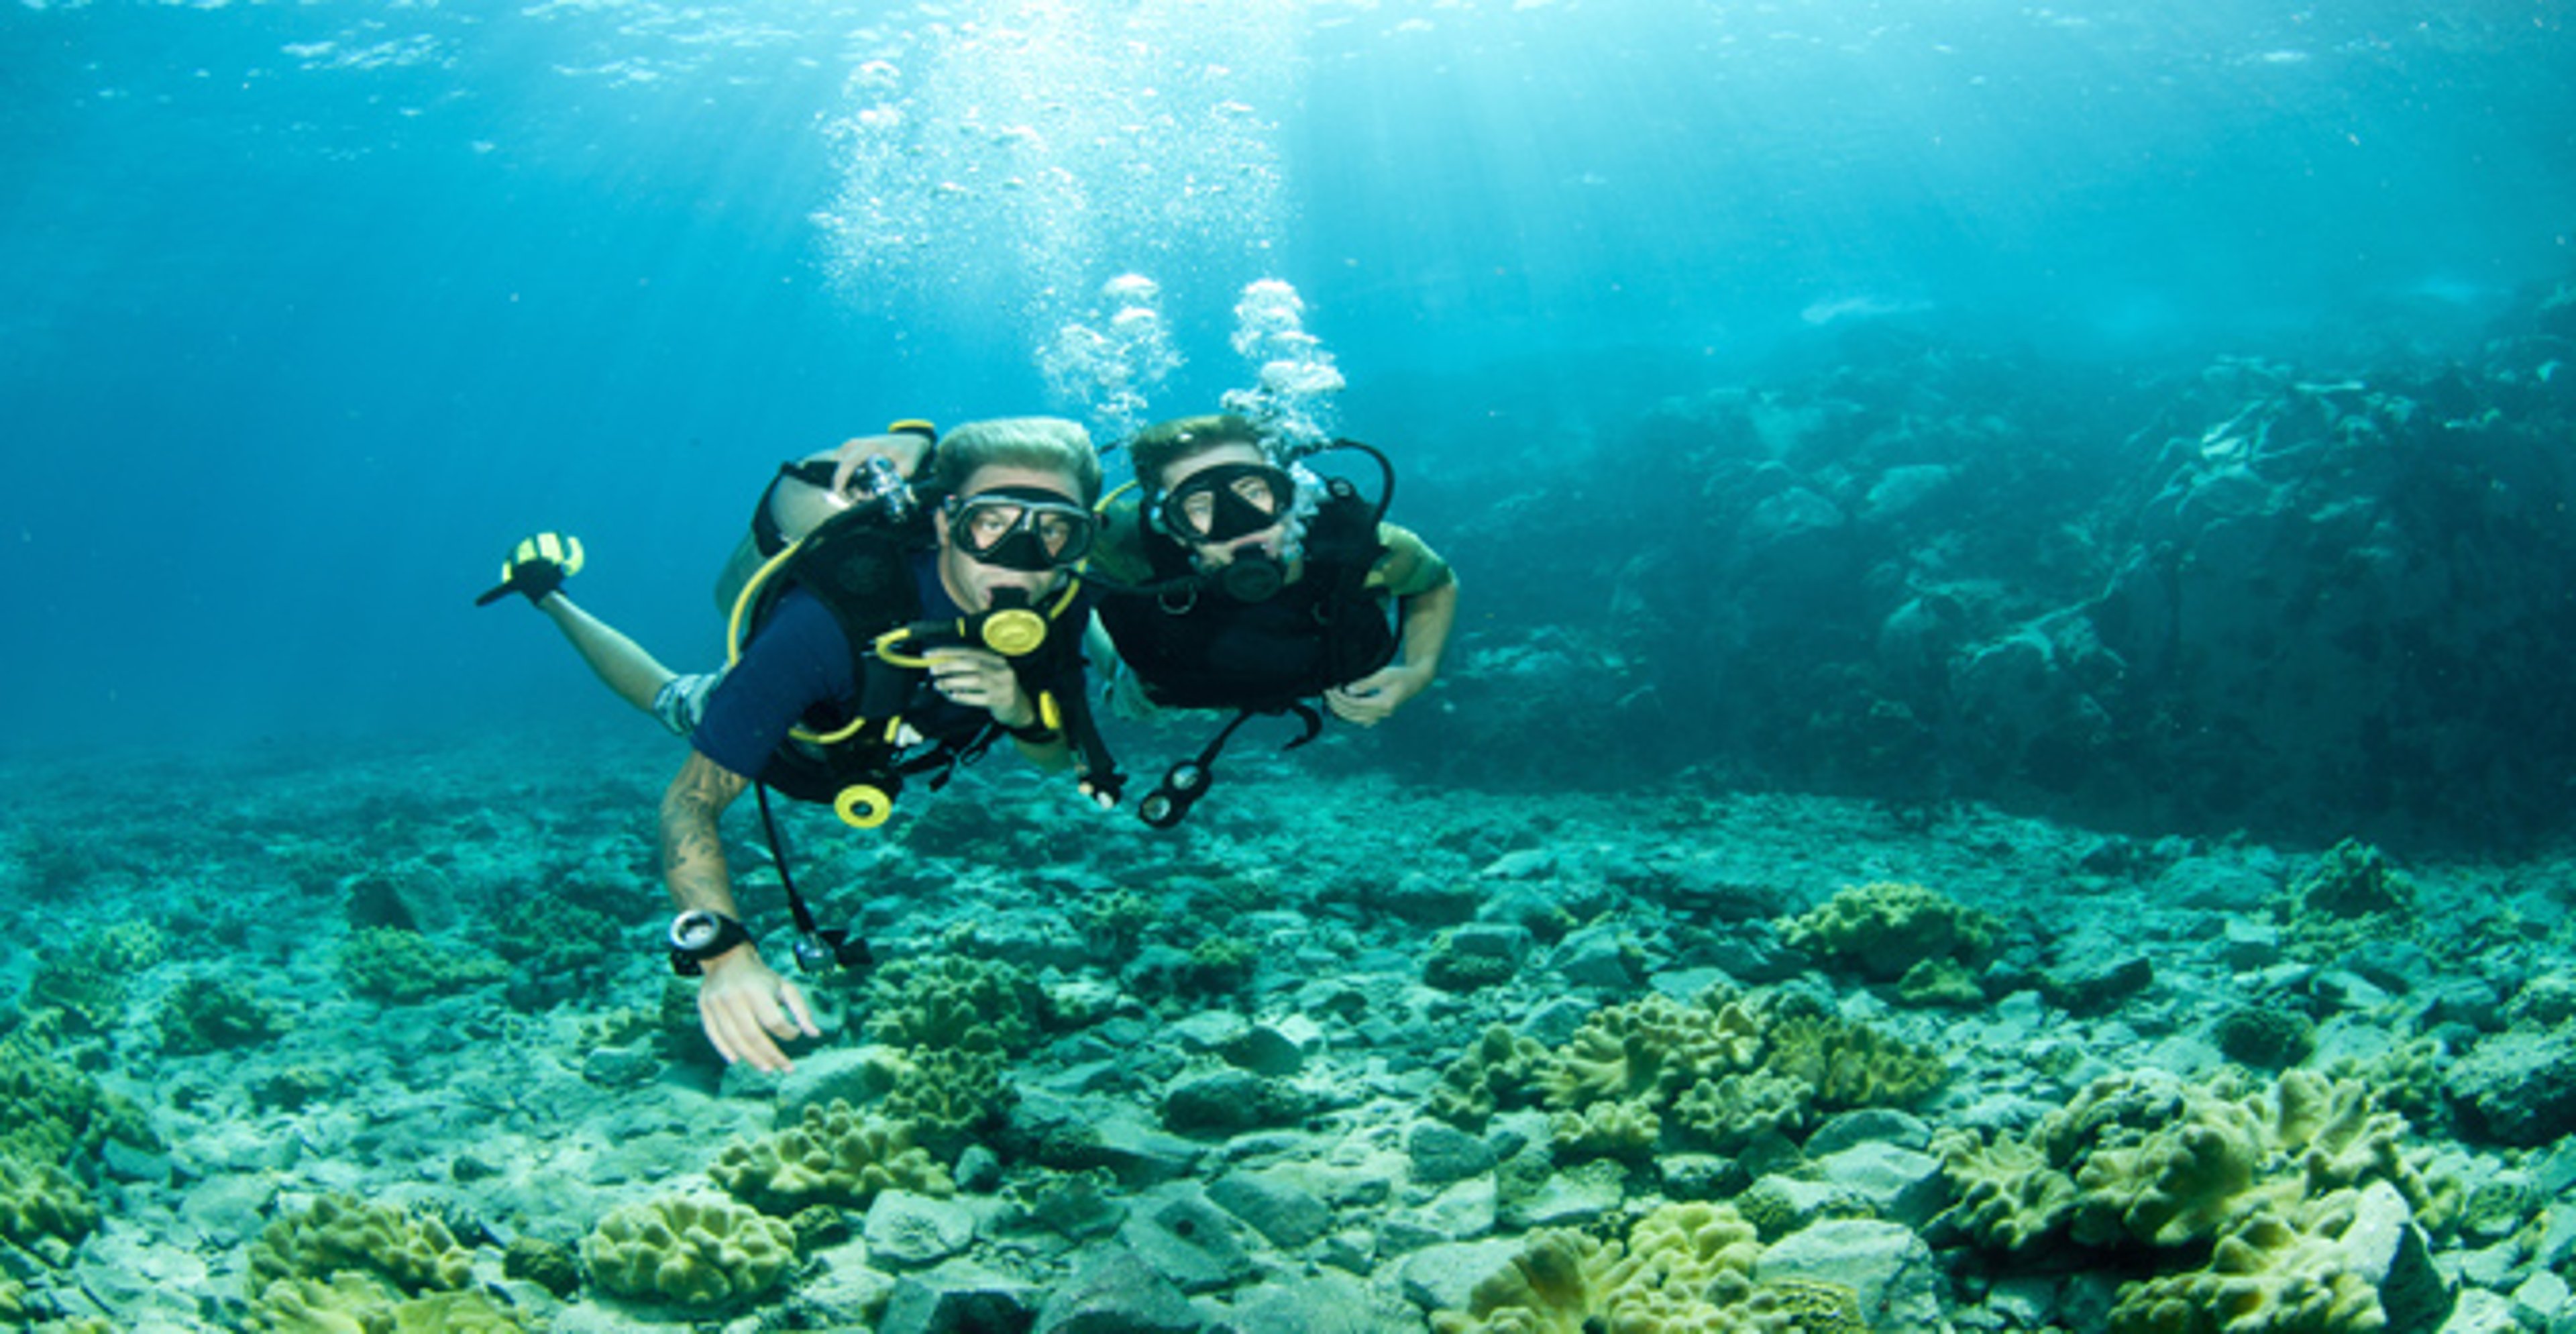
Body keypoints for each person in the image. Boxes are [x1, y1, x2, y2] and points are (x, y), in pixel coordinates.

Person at [484, 418, 1111, 1071]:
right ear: (945, 520)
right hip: (796, 746)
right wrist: (723, 952)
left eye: (1056, 529)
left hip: (897, 756)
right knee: (675, 699)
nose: (1022, 555)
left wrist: (1016, 708)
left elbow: (1053, 761)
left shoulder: (1055, 610)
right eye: (993, 521)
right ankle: (547, 594)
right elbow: (688, 802)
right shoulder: (827, 620)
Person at [1085, 413, 1459, 825]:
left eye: (1251, 490)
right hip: (1163, 687)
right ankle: (1121, 672)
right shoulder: (1122, 547)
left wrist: (1420, 671)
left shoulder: (1357, 548)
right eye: (1200, 505)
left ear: (1291, 493)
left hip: (1295, 670)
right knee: (1120, 665)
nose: (1236, 520)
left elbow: (1436, 581)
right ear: (1169, 525)